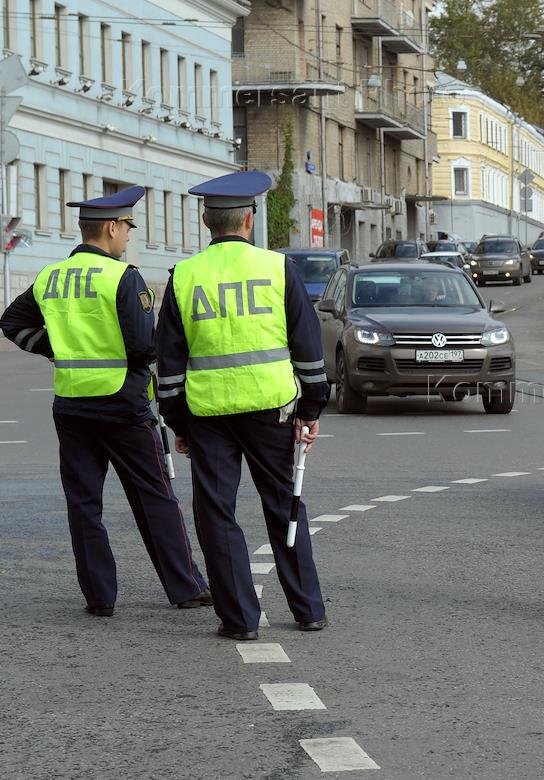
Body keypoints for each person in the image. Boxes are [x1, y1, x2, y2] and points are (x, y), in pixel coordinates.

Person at [0, 186, 211, 617]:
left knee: (83, 503)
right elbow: (141, 345)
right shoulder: (123, 276)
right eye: (127, 228)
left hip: (72, 403)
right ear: (112, 228)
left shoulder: (50, 276)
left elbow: (11, 322)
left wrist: (55, 350)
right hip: (123, 404)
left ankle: (99, 597)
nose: (129, 237)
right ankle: (185, 587)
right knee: (154, 496)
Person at [155, 171, 329, 641]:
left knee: (217, 515)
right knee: (284, 504)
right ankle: (309, 609)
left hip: (209, 416)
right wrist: (311, 410)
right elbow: (308, 350)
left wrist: (177, 422)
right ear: (250, 220)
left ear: (205, 220)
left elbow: (169, 363)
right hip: (272, 408)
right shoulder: (278, 269)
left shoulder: (184, 276)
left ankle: (239, 621)